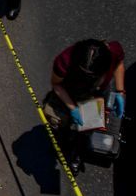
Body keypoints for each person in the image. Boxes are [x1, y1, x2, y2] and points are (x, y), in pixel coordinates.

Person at [43, 39, 125, 171]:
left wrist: (120, 92)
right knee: (56, 120)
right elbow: (57, 85)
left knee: (88, 127)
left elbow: (119, 64)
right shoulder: (64, 61)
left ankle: (77, 152)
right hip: (69, 93)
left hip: (96, 94)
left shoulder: (114, 51)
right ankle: (61, 137)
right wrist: (73, 108)